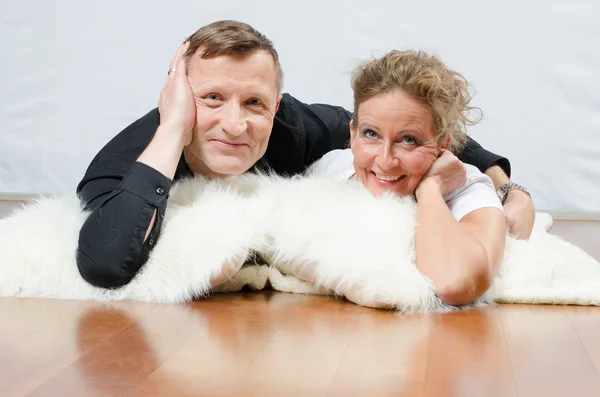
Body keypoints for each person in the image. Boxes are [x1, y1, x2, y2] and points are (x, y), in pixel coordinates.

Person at [76, 20, 533, 290]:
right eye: (211, 98)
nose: (236, 124)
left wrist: (505, 185)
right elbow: (104, 263)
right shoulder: (127, 159)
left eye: (254, 103)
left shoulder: (294, 127)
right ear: (176, 97)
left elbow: (411, 127)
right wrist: (173, 127)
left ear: (276, 105)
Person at [308, 49, 507, 306]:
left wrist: (431, 189)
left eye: (408, 140)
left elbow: (454, 283)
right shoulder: (333, 167)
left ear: (442, 144)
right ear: (352, 132)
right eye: (370, 134)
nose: (385, 160)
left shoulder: (470, 189)